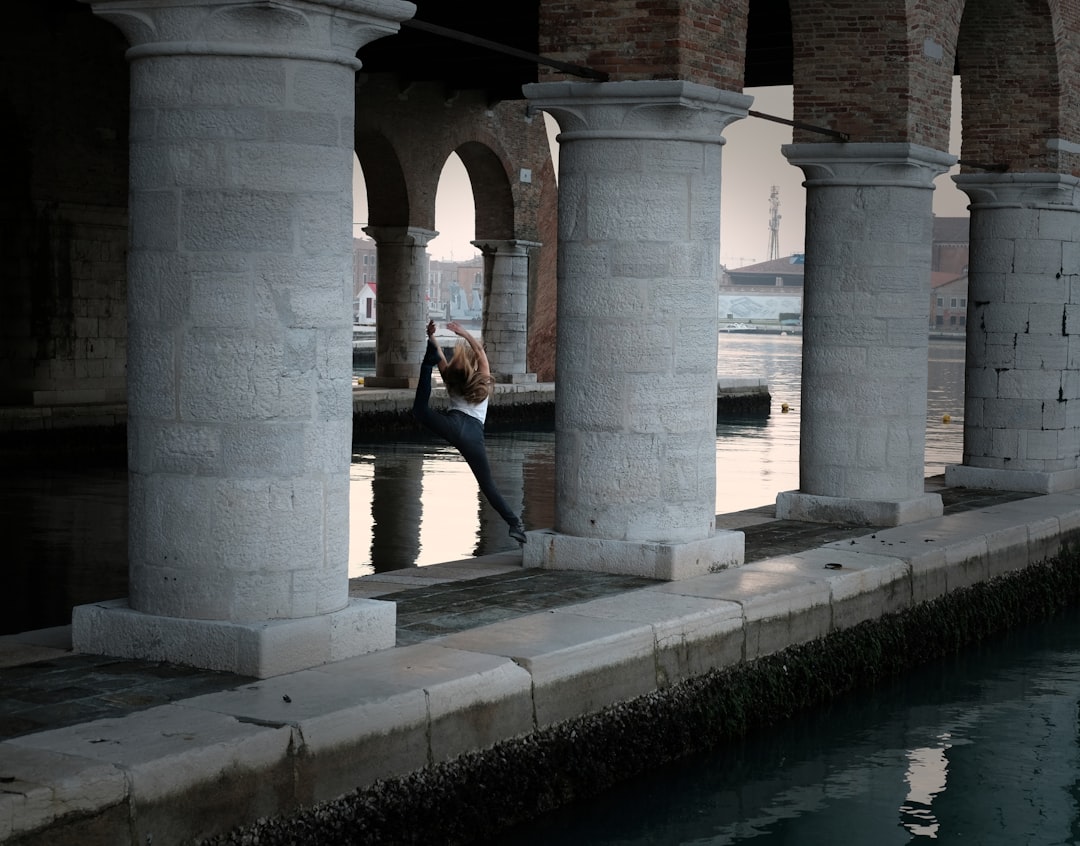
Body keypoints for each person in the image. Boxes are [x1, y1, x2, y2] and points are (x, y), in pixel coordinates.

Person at [412, 319, 527, 545]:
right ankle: (515, 525)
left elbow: (440, 359)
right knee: (488, 485)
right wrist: (463, 332)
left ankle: (425, 366)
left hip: (453, 427)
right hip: (473, 437)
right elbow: (478, 352)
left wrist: (432, 338)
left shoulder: (451, 380)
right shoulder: (481, 382)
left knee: (420, 411)